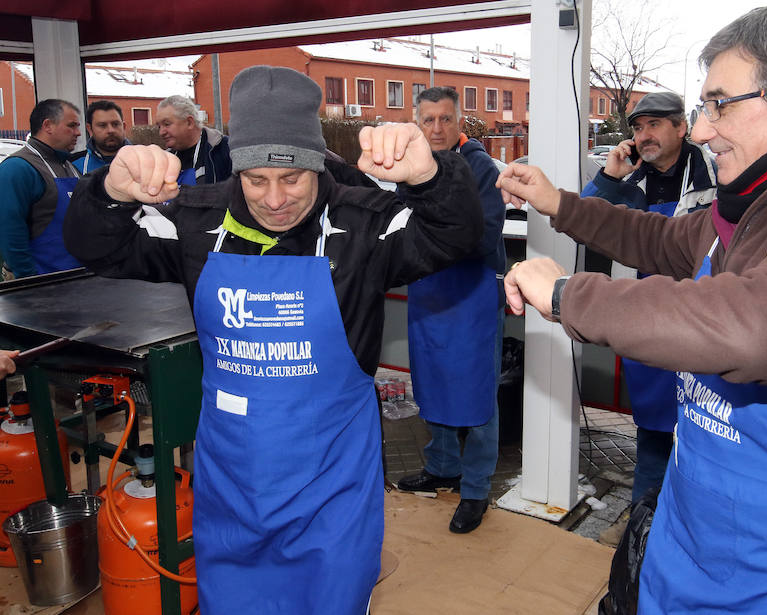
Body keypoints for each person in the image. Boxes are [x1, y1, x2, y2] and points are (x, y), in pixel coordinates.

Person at [496, 3, 767, 613]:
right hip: (695, 538)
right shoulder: (737, 212)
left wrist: (565, 294)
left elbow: (752, 326)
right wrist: (559, 202)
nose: (704, 129)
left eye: (719, 104)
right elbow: (654, 239)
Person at [65, 65, 482, 614]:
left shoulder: (364, 227)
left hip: (333, 475)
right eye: (256, 180)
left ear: (318, 166)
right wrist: (109, 194)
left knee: (331, 598)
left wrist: (429, 180)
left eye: (292, 179)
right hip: (233, 475)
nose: (275, 198)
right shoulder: (197, 223)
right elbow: (98, 247)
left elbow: (457, 234)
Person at [582, 92, 717, 504]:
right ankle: (643, 530)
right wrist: (609, 176)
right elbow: (584, 218)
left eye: (654, 124)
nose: (644, 135)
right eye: (638, 128)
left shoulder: (717, 176)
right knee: (654, 441)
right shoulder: (629, 182)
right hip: (648, 324)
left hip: (702, 326)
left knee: (704, 441)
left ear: (682, 127)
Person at [396, 86, 506, 534]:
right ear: (417, 122)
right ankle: (442, 466)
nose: (437, 128)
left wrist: (434, 239)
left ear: (459, 122)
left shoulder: (480, 167)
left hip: (471, 292)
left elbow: (486, 231)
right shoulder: (410, 167)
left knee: (477, 395)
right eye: (428, 120)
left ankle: (476, 489)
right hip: (428, 290)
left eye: (445, 119)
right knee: (432, 382)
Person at [0, 99, 83, 280]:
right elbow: (10, 231)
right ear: (48, 126)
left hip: (75, 278)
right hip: (41, 284)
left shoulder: (70, 166)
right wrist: (29, 280)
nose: (78, 133)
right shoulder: (17, 169)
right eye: (72, 126)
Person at [155, 95, 230, 185]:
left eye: (167, 124)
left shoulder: (225, 150)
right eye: (159, 126)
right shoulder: (164, 160)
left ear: (189, 122)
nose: (161, 132)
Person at [70, 100, 130, 174]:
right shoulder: (74, 166)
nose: (110, 130)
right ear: (90, 129)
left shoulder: (143, 160)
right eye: (102, 125)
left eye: (115, 124)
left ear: (123, 127)